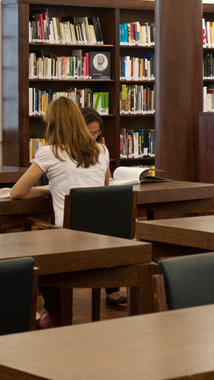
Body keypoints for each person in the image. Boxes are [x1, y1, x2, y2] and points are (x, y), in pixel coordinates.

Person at [10, 97, 110, 326]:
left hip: (70, 239)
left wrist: (49, 190)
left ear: (53, 125)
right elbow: (103, 189)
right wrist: (53, 189)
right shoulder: (101, 150)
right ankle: (51, 309)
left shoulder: (49, 152)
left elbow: (17, 193)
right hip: (103, 236)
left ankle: (52, 309)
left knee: (31, 249)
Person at [80, 106, 128, 308]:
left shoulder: (102, 150)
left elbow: (106, 180)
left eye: (96, 132)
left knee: (114, 227)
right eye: (89, 132)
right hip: (79, 210)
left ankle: (112, 289)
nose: (93, 137)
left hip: (95, 206)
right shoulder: (64, 151)